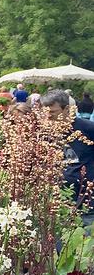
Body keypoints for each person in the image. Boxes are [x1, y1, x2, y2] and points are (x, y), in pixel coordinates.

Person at [42, 89, 94, 227]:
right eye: (45, 112)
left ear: (66, 109)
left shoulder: (87, 128)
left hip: (87, 202)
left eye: (53, 112)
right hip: (60, 201)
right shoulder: (45, 133)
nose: (48, 116)